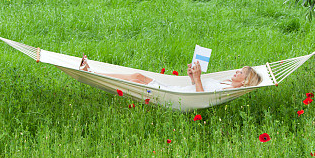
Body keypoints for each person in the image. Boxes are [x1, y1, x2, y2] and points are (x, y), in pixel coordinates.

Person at [78, 56, 262, 92]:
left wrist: (197, 79)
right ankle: (94, 71)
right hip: (175, 89)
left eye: (240, 72)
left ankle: (93, 71)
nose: (235, 71)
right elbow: (197, 90)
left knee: (136, 78)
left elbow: (201, 98)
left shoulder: (226, 91)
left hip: (176, 95)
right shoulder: (223, 84)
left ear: (245, 80)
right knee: (137, 76)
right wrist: (192, 77)